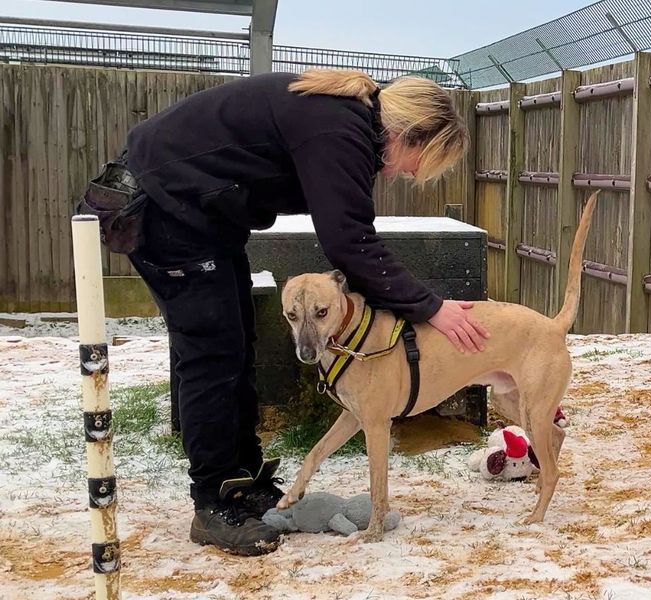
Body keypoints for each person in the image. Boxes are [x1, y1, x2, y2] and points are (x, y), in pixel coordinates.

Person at [80, 69, 489, 556]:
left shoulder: (348, 119)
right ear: (410, 133)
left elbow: (346, 231)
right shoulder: (341, 129)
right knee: (211, 355)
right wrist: (433, 308)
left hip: (203, 216)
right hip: (162, 208)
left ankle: (246, 481)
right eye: (416, 163)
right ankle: (214, 502)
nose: (402, 173)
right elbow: (348, 242)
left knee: (237, 346)